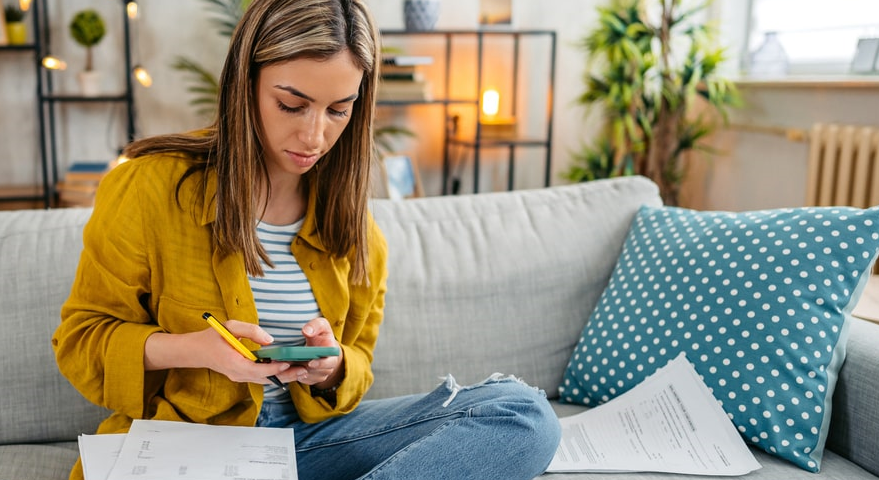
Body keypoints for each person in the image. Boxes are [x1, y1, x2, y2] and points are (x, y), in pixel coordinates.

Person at [52, 0, 561, 478]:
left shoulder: (354, 225)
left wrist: (332, 367)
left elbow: (358, 363)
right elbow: (80, 344)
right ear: (245, 84)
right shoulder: (150, 187)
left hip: (307, 446)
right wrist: (196, 349)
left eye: (338, 110)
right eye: (292, 105)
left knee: (524, 415)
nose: (315, 136)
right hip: (192, 447)